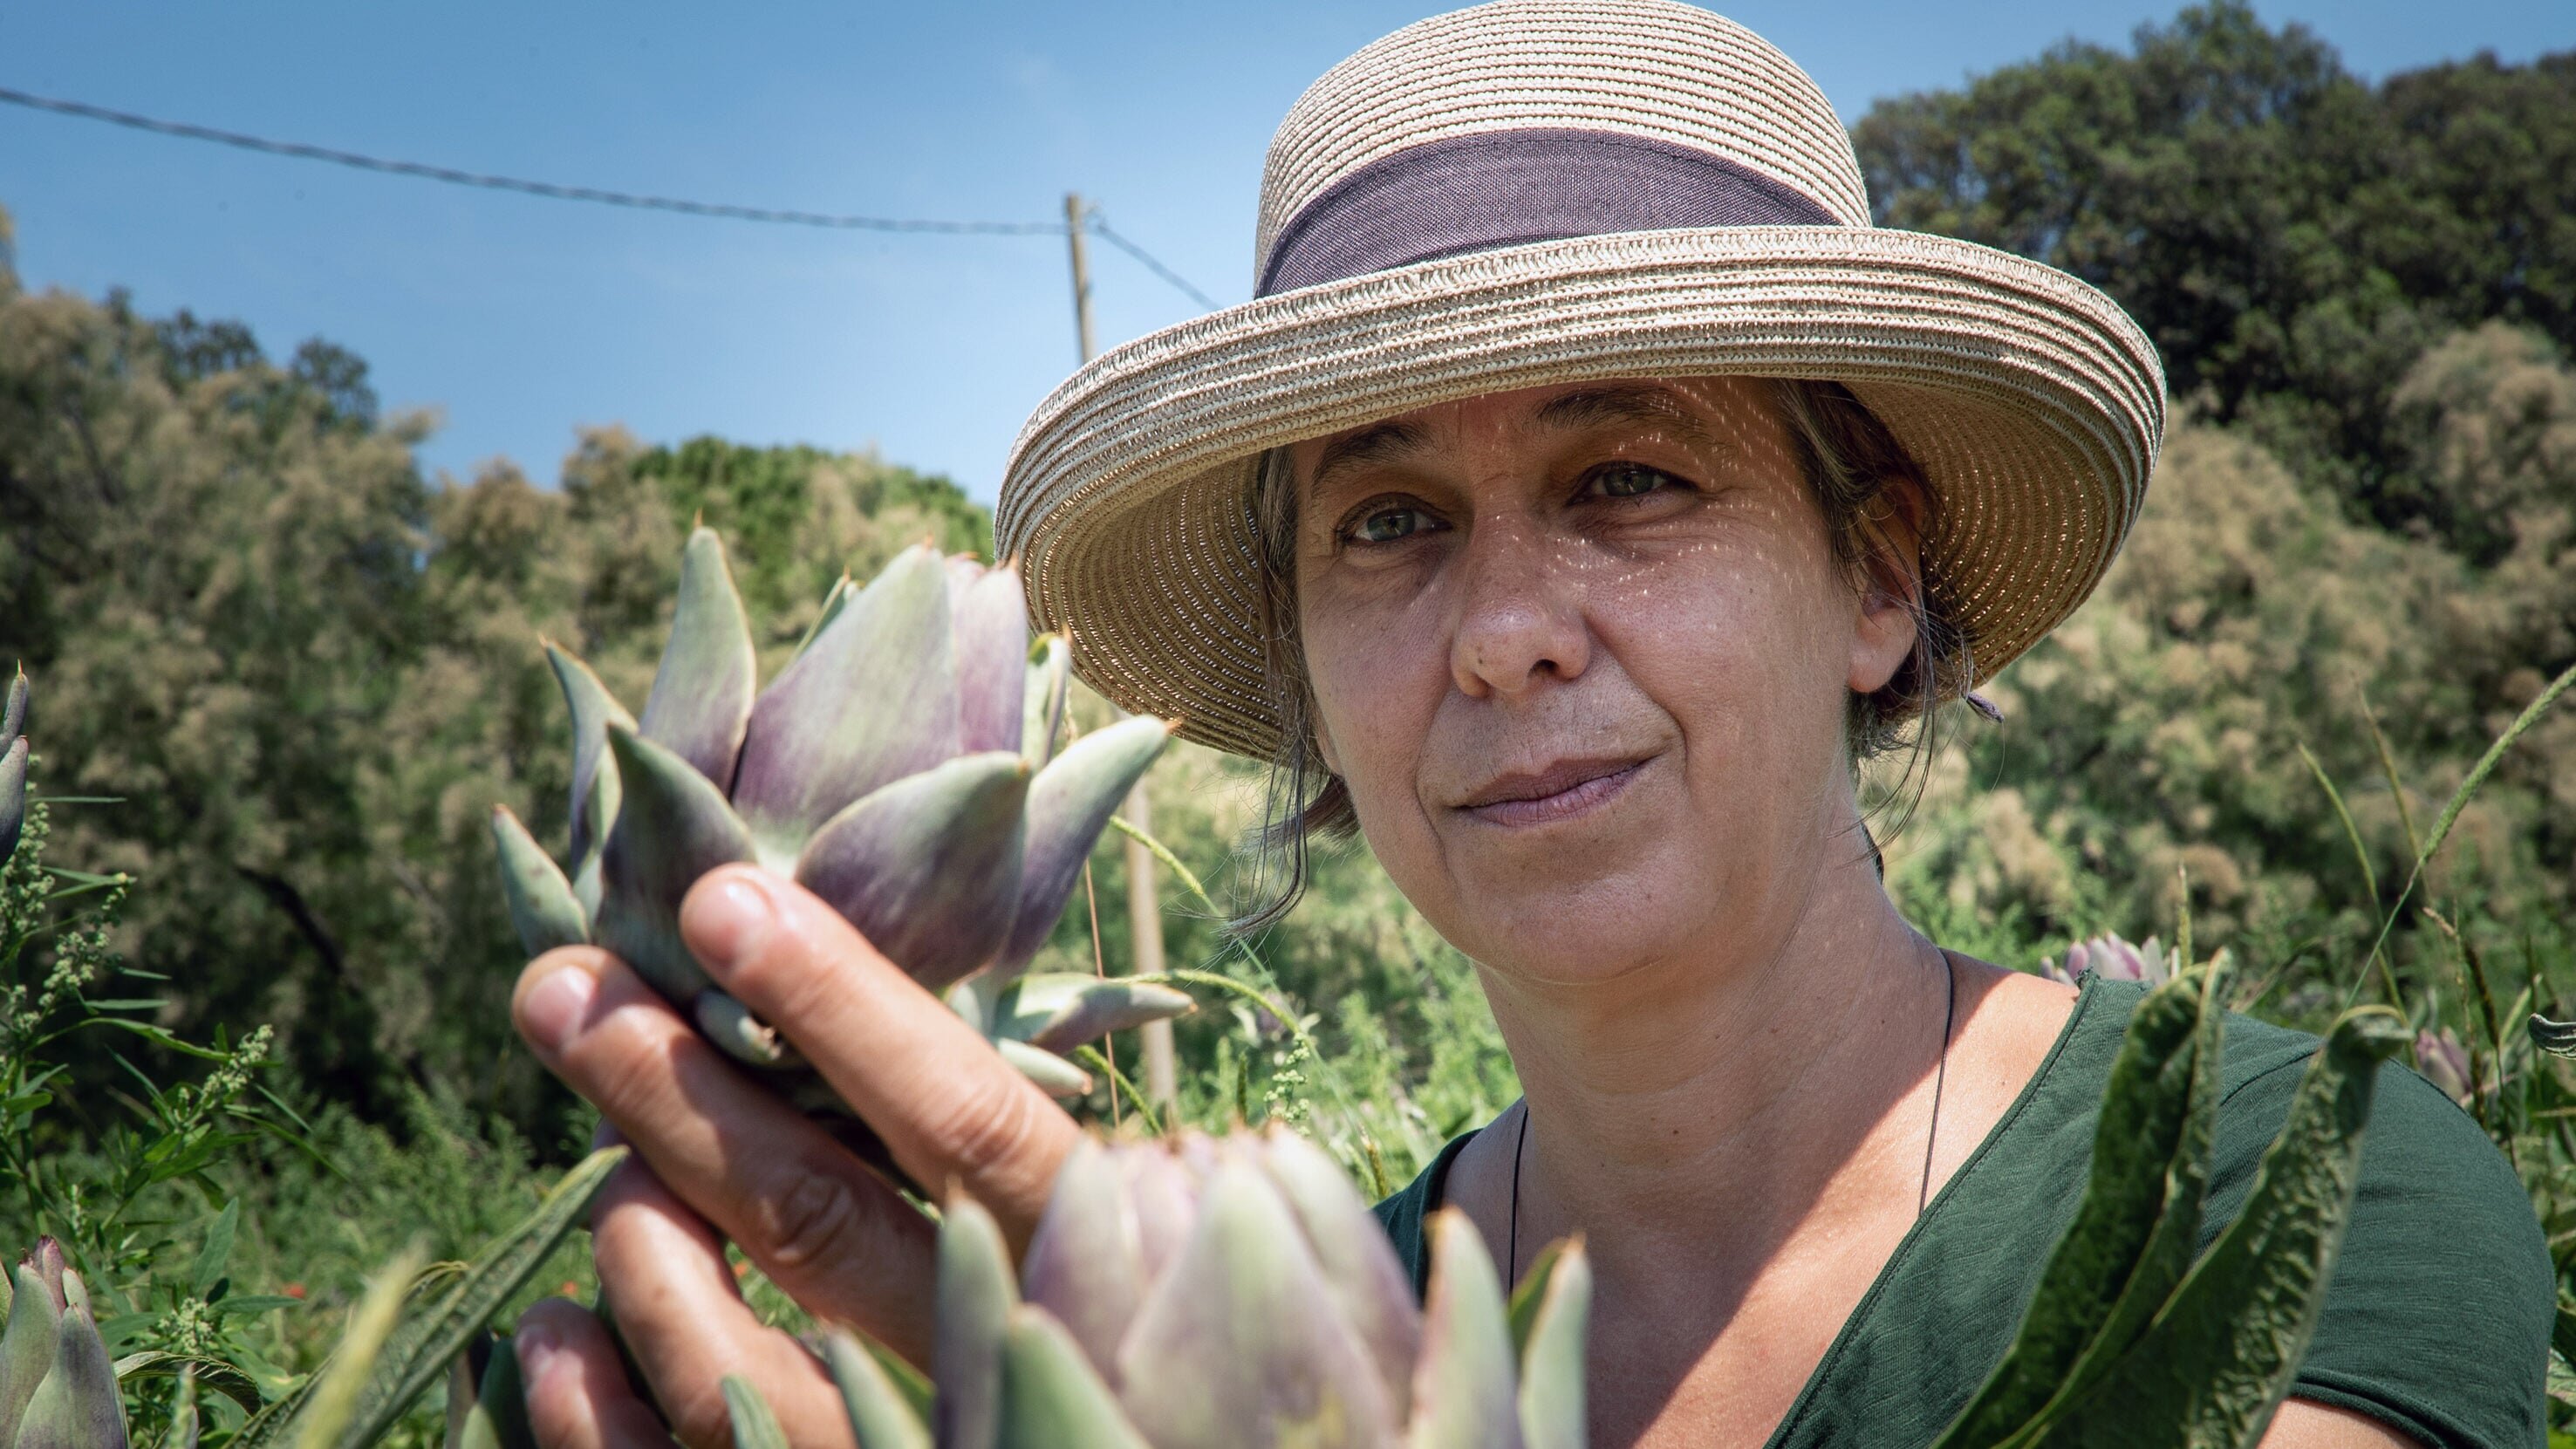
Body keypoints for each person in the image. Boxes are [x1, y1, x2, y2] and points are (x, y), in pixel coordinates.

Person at [501, 2, 2552, 1445]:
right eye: (1386, 522)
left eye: (1629, 480)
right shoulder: (1245, 1342)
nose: (1498, 635)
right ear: (1304, 670)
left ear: (1873, 577)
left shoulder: (2293, 1186)